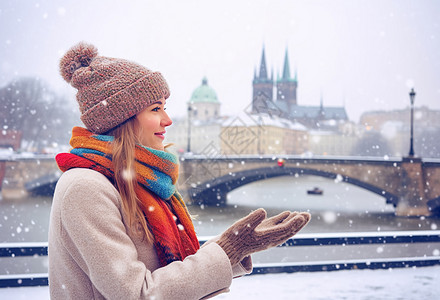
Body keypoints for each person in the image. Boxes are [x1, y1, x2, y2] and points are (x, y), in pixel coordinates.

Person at [48, 42, 311, 300]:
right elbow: (138, 294)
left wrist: (237, 243)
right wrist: (227, 250)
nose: (168, 120)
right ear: (122, 118)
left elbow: (163, 280)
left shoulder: (143, 179)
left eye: (165, 107)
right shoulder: (85, 187)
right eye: (155, 109)